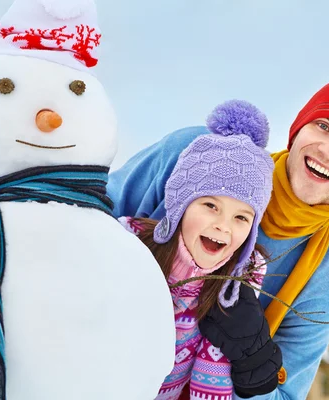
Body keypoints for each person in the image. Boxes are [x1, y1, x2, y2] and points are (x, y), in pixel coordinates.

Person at [107, 75, 329, 399]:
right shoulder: (201, 157)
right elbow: (89, 211)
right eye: (323, 126)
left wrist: (252, 363)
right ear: (297, 131)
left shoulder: (322, 284)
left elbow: (285, 395)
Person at [119, 100, 283, 399]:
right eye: (210, 206)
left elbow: (213, 374)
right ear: (181, 203)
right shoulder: (128, 241)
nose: (223, 226)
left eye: (241, 217)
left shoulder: (233, 288)